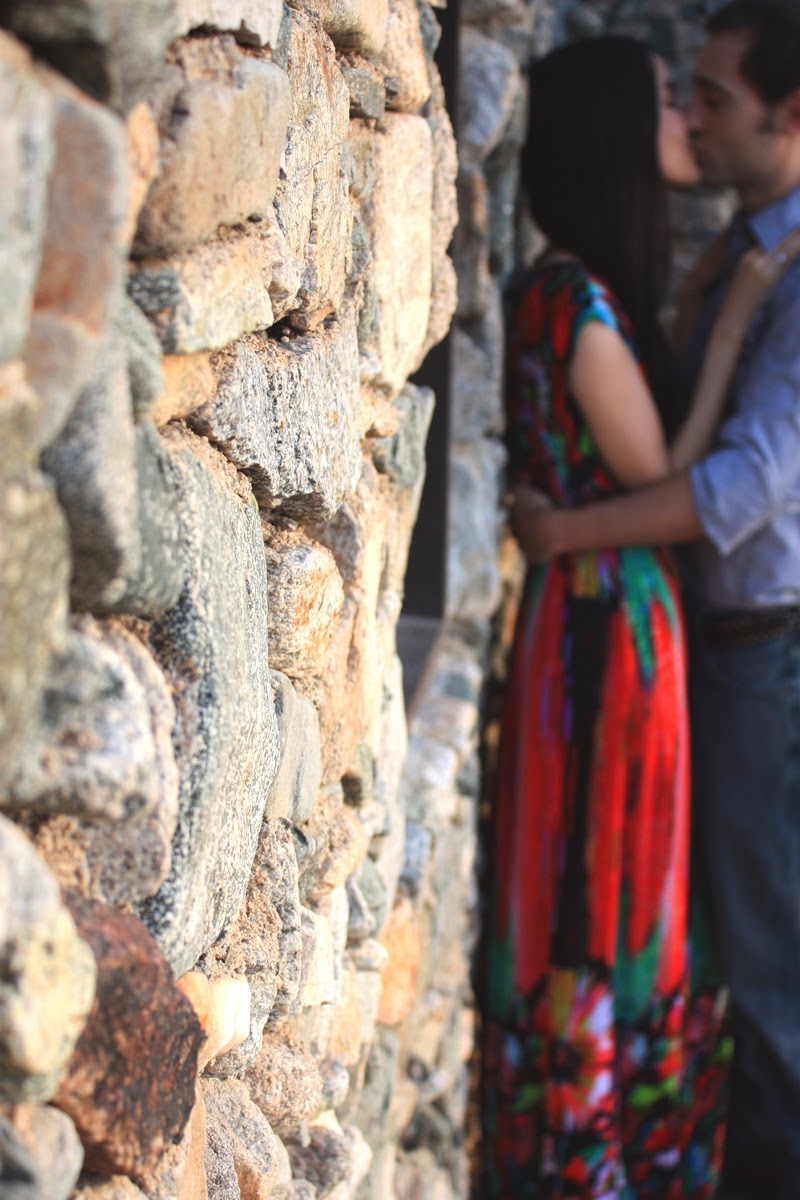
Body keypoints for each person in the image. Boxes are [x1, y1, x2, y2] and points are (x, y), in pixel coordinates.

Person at [481, 29, 797, 1200]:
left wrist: (716, 296)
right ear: (616, 133)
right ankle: (607, 1148)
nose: (687, 121)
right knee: (616, 882)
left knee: (605, 878)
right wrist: (724, 317)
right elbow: (670, 471)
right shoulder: (580, 299)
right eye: (670, 101)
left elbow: (704, 477)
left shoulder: (560, 290)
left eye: (701, 98)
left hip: (599, 624)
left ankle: (589, 1133)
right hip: (614, 630)